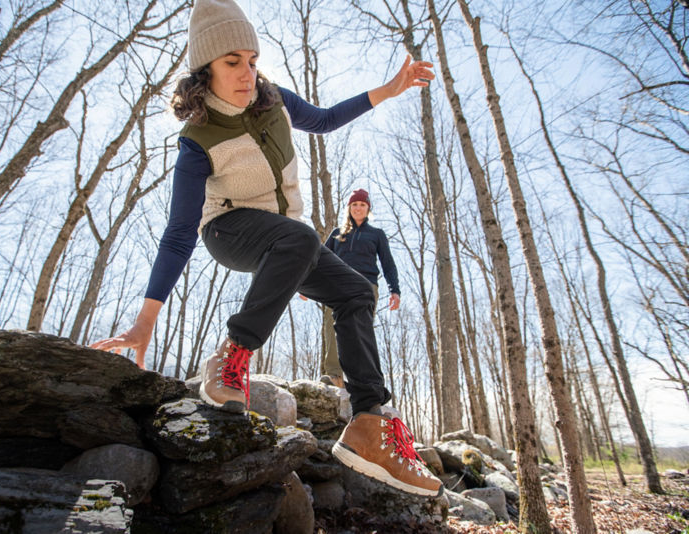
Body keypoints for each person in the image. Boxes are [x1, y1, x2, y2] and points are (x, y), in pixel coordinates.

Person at [91, 0, 442, 497]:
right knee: (299, 236)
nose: (247, 72)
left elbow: (322, 119)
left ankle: (368, 422)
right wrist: (146, 319)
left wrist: (390, 87)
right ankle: (233, 354)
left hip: (288, 239)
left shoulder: (273, 98)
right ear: (205, 70)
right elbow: (177, 234)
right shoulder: (196, 140)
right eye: (232, 61)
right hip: (229, 231)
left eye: (252, 59)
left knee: (356, 292)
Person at [318, 189, 400, 389]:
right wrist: (306, 282)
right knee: (332, 327)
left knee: (360, 331)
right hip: (337, 285)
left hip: (366, 286)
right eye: (354, 204)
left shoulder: (376, 234)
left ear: (367, 208)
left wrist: (394, 290)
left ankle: (361, 381)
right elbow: (320, 258)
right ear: (349, 208)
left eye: (362, 205)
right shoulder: (337, 234)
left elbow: (388, 263)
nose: (358, 208)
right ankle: (335, 375)